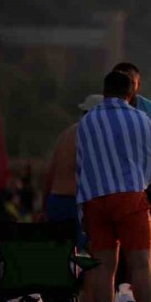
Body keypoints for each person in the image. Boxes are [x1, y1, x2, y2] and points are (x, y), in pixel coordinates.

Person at [78, 71, 151, 302]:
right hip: (129, 197)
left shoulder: (87, 120)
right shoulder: (140, 118)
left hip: (95, 200)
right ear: (131, 93)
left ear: (104, 92)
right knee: (140, 265)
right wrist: (140, 182)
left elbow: (82, 164)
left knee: (104, 266)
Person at [111, 62, 151, 239]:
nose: (125, 86)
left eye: (130, 82)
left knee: (146, 250)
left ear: (138, 86)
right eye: (121, 80)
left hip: (148, 194)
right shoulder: (101, 113)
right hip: (110, 195)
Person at [42, 95, 103, 233]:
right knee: (81, 252)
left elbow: (50, 174)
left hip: (56, 201)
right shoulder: (95, 136)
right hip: (79, 204)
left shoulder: (66, 134)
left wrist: (44, 207)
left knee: (59, 252)